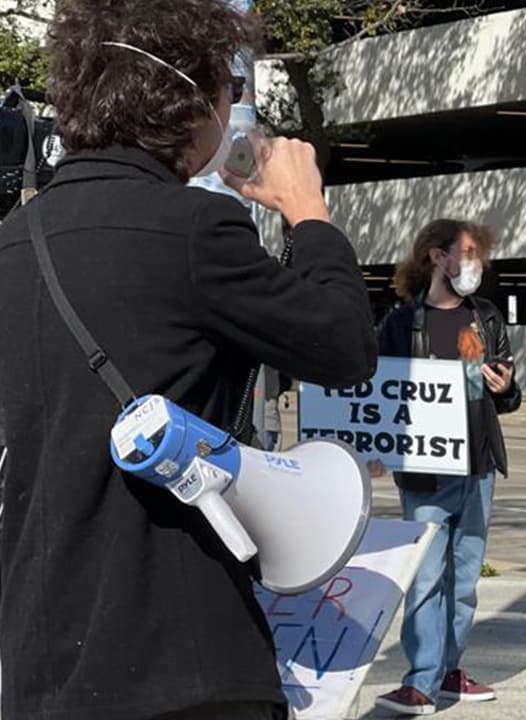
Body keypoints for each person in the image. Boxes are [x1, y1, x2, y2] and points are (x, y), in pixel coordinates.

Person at [0, 1, 379, 718]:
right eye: (230, 87)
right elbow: (344, 346)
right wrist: (308, 211)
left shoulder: (13, 242)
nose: (232, 106)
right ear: (190, 98)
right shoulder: (194, 230)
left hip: (42, 663)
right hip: (183, 654)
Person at [372, 218, 522, 717]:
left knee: (464, 580)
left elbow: (506, 396)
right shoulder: (401, 323)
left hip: (479, 466)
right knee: (425, 577)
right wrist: (376, 450)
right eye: (469, 252)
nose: (477, 263)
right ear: (438, 257)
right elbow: (380, 395)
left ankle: (449, 670)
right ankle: (421, 681)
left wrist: (507, 389)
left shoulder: (487, 317)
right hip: (425, 472)